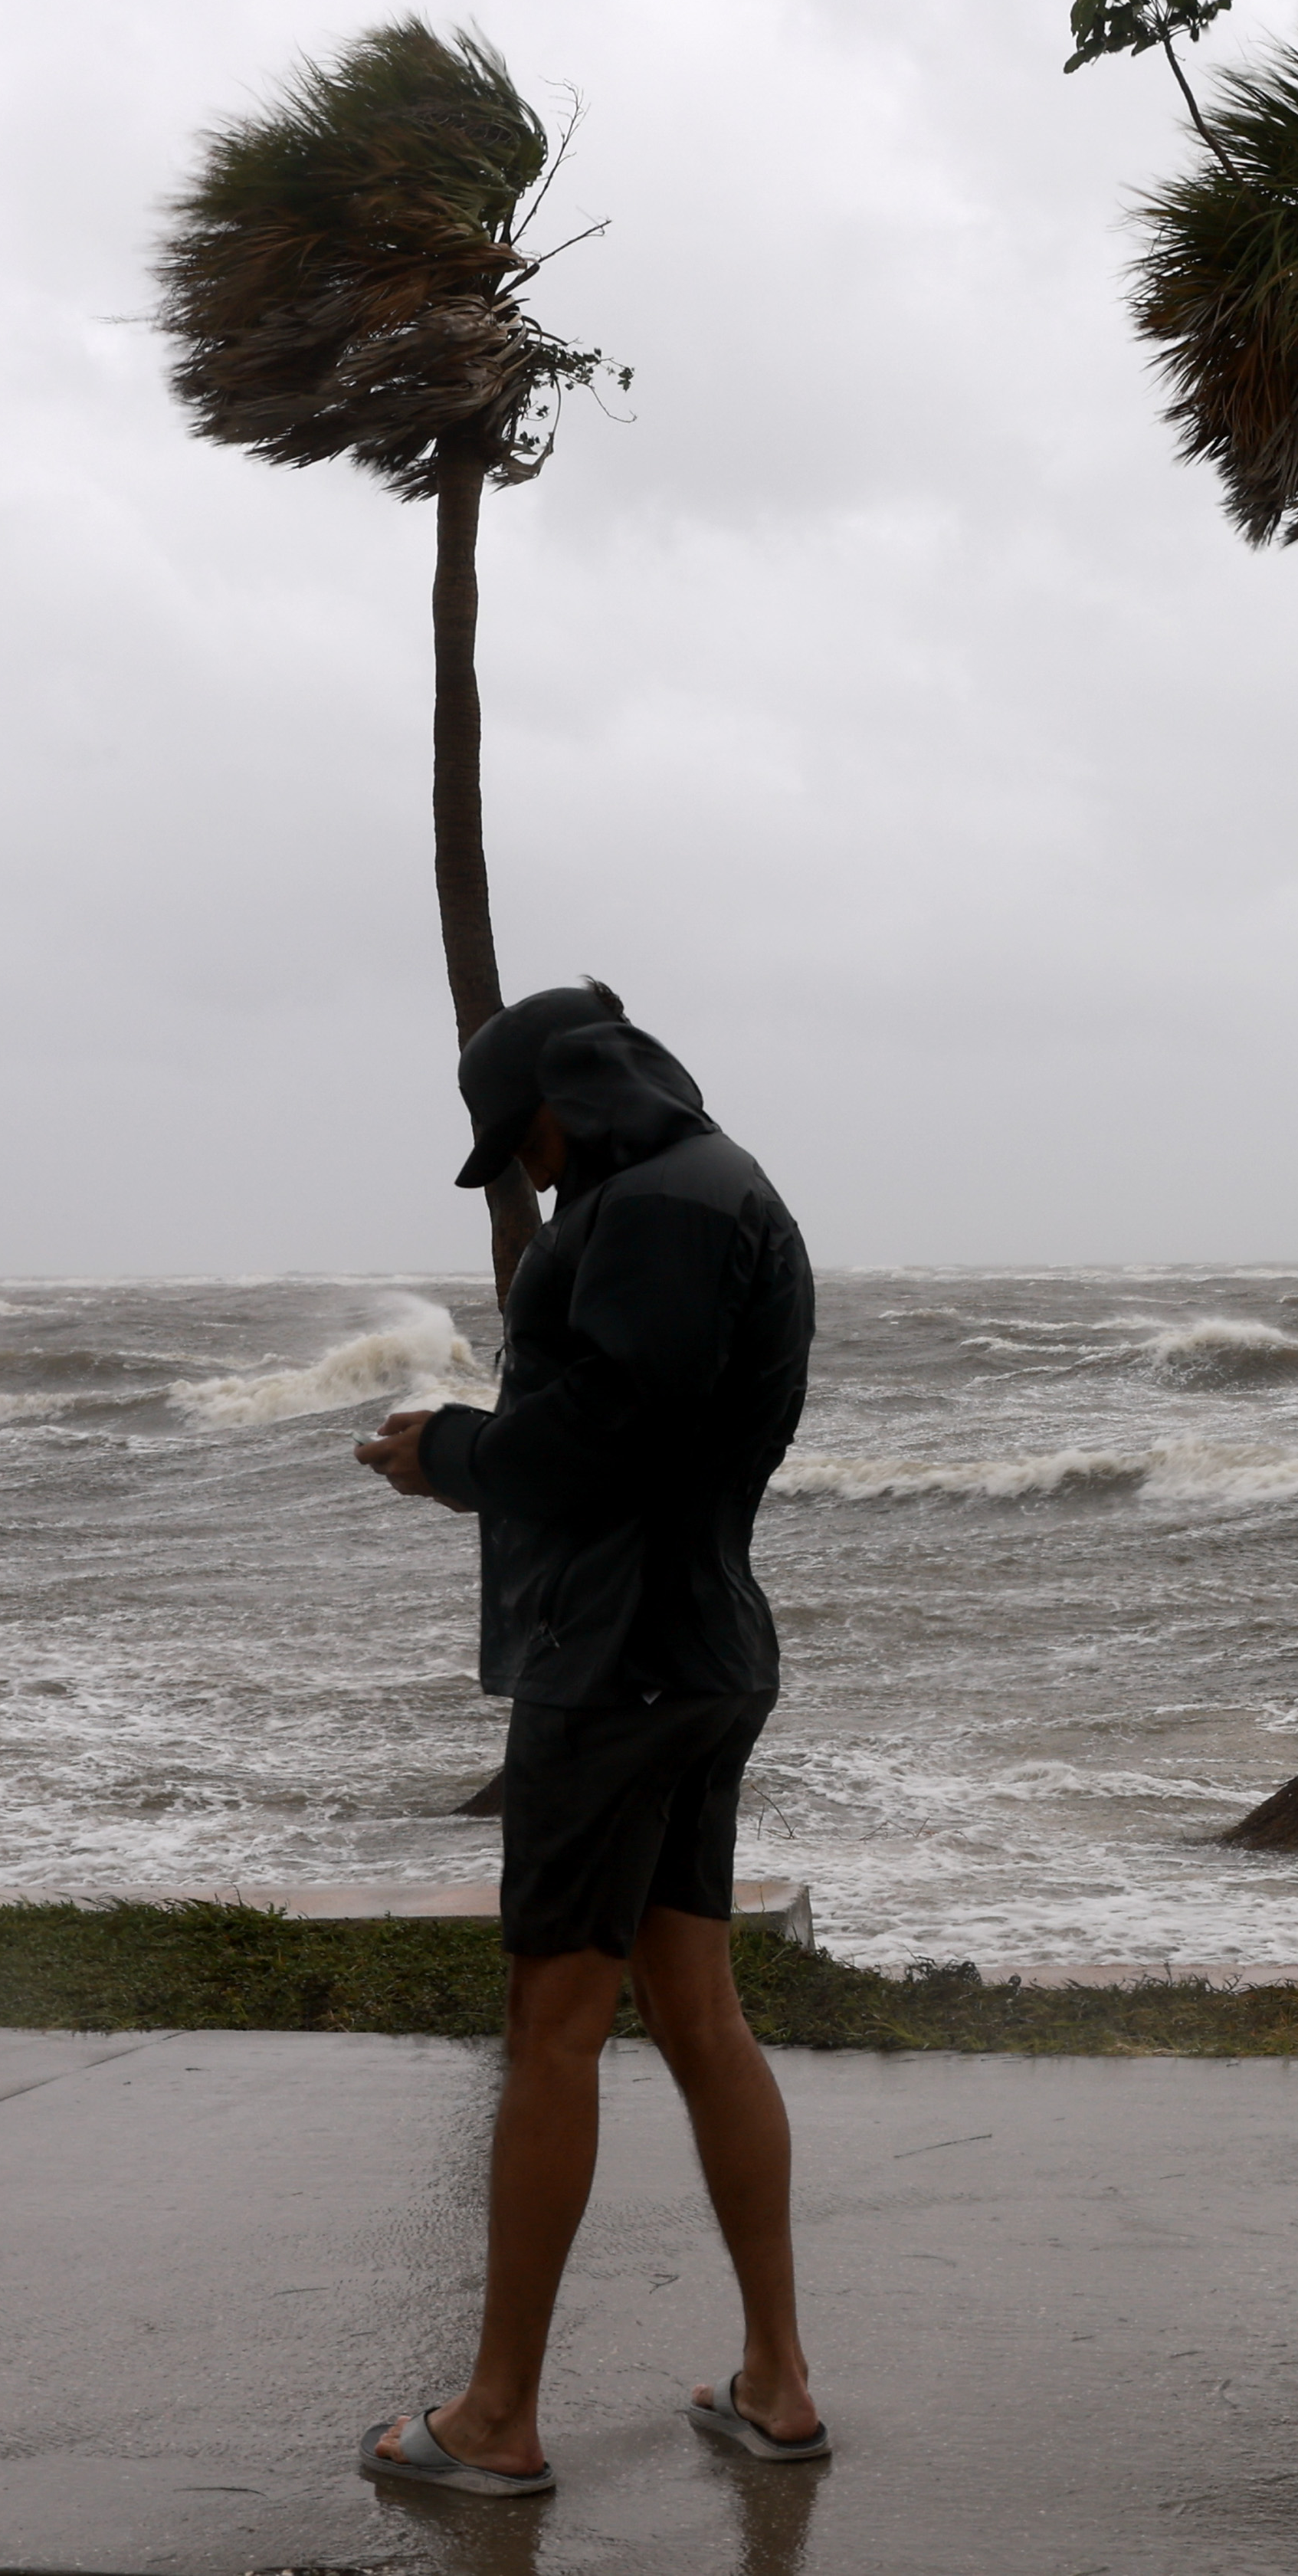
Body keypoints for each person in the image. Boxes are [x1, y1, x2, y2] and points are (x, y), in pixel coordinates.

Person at [348, 981, 827, 2499]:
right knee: (697, 2010)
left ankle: (497, 2420)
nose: (528, 1171)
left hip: (618, 1669)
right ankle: (777, 2382)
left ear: (573, 1093)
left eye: (525, 1141)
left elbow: (618, 1428)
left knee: (553, 2027)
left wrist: (454, 1453)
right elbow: (659, 1419)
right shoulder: (706, 1187)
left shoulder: (661, 1208)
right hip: (690, 1653)